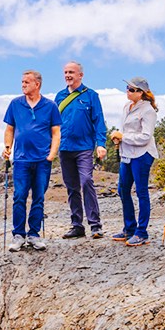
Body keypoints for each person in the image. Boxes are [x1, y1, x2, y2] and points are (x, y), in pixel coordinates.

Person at [2, 70, 62, 251]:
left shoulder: (50, 106)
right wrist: (7, 147)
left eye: (27, 82)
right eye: (22, 82)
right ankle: (18, 235)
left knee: (39, 197)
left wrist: (51, 155)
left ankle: (34, 234)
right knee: (19, 196)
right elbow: (9, 129)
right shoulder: (15, 104)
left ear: (37, 84)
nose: (23, 85)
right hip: (21, 160)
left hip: (42, 160)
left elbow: (56, 133)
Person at [55, 62, 108, 239]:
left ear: (81, 75)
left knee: (86, 181)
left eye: (71, 72)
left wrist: (101, 143)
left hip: (84, 147)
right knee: (71, 187)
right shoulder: (60, 96)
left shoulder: (91, 96)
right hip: (64, 148)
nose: (68, 75)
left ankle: (95, 225)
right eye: (65, 72)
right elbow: (53, 124)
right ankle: (77, 225)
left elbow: (99, 121)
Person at [109, 77, 160, 247]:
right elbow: (125, 129)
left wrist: (124, 137)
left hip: (142, 154)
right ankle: (129, 228)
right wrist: (119, 139)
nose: (128, 91)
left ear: (141, 93)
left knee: (141, 191)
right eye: (127, 88)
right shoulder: (126, 107)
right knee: (123, 189)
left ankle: (142, 232)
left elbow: (146, 136)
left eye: (132, 89)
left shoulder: (148, 111)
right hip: (127, 154)